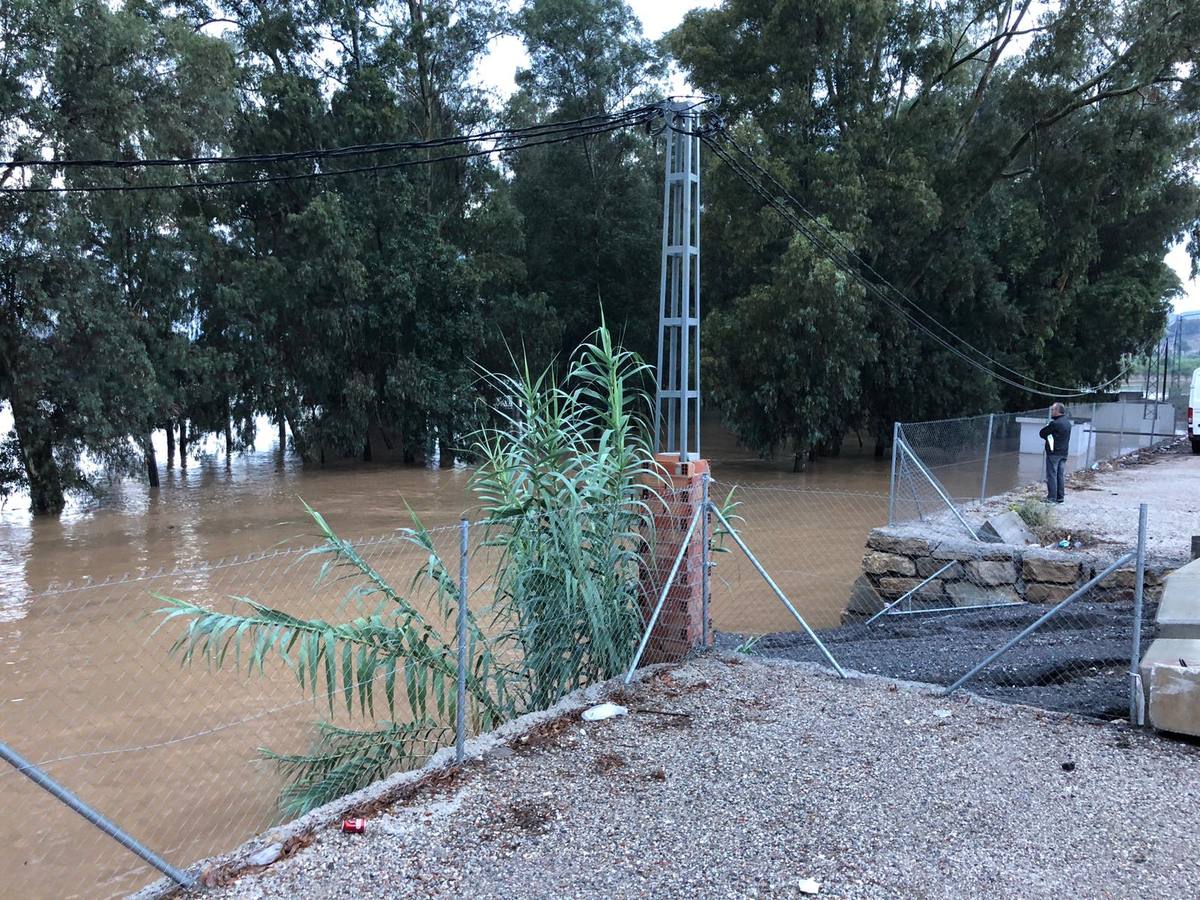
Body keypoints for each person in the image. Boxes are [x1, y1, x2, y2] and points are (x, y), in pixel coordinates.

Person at [1039, 403, 1073, 503]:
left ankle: (1051, 498)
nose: (1051, 411)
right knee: (1060, 475)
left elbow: (1042, 433)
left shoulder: (1055, 423)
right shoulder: (1067, 423)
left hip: (1054, 453)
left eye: (1053, 409)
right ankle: (1060, 497)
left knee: (1052, 475)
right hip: (1064, 453)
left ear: (1058, 411)